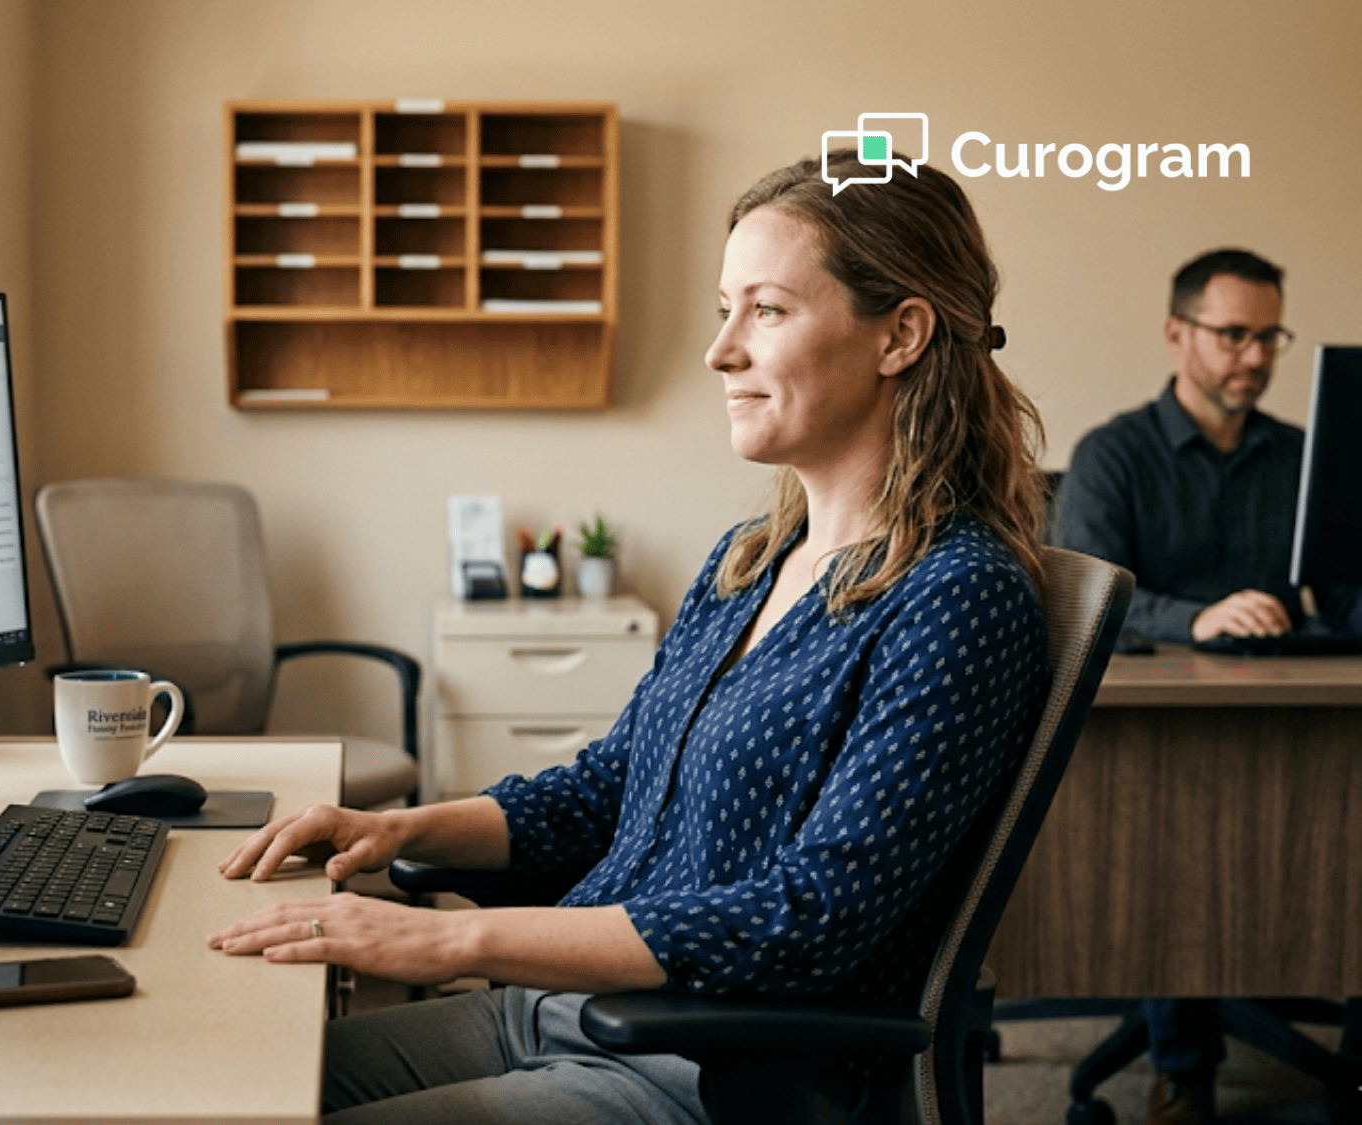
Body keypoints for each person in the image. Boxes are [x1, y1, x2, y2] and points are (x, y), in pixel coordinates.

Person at [206, 150, 1053, 1125]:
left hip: (699, 1068)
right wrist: (399, 829)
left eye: (765, 310)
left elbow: (810, 920)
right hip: (560, 1016)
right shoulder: (753, 559)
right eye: (721, 307)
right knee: (214, 1087)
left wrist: (450, 945)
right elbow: (614, 787)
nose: (719, 350)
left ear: (899, 334)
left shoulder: (955, 597)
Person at [1051, 248, 1356, 1125]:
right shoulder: (1112, 454)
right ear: (1177, 333)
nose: (1255, 356)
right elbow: (1089, 596)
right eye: (1233, 334)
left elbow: (1340, 589)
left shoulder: (1307, 458)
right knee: (1177, 856)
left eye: (1270, 337)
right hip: (1166, 731)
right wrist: (1196, 619)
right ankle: (1183, 1071)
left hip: (1301, 715)